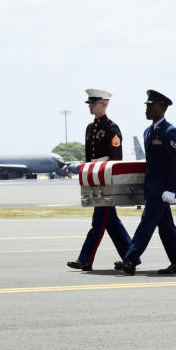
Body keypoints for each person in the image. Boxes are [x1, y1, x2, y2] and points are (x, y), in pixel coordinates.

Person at [116, 90, 176, 275]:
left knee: (147, 223)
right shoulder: (148, 132)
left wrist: (172, 189)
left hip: (163, 189)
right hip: (153, 187)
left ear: (161, 108)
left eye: (150, 106)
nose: (146, 109)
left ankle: (130, 259)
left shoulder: (169, 131)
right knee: (166, 227)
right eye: (146, 105)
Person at [68, 89, 132, 271]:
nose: (90, 106)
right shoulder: (90, 128)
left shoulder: (112, 129)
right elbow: (89, 159)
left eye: (93, 103)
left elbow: (114, 160)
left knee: (99, 222)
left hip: (106, 181)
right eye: (89, 103)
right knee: (111, 223)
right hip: (94, 180)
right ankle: (130, 257)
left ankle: (85, 259)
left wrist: (108, 181)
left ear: (104, 104)